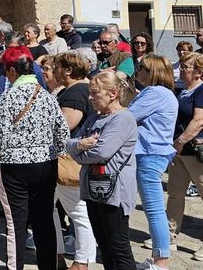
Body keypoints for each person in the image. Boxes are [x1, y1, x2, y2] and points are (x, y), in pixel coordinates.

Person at [0, 45, 69, 270]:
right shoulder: (48, 97)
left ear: (13, 71)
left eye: (5, 71)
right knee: (44, 221)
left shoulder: (9, 97)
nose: (5, 75)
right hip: (45, 163)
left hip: (14, 166)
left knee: (17, 223)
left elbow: (0, 133)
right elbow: (62, 132)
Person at [67, 70, 138, 270]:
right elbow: (70, 143)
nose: (90, 97)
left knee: (119, 248)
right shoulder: (93, 118)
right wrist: (81, 145)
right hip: (93, 189)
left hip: (114, 192)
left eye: (95, 92)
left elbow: (101, 152)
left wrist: (79, 151)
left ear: (113, 93)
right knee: (105, 247)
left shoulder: (122, 119)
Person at [166, 52, 203, 262]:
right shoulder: (184, 91)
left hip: (196, 151)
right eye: (182, 64)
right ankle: (169, 236)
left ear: (199, 72)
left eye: (187, 66)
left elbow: (199, 121)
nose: (182, 68)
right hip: (179, 152)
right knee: (175, 194)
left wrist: (179, 142)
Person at [131, 54, 180, 270]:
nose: (137, 71)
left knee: (154, 210)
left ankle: (161, 261)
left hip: (150, 153)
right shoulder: (159, 93)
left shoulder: (155, 93)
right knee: (154, 209)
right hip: (151, 153)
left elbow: (128, 116)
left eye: (141, 67)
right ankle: (158, 257)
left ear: (152, 72)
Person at [53, 51, 98, 270]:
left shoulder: (75, 93)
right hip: (65, 160)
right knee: (48, 209)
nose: (54, 72)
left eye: (57, 67)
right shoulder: (76, 90)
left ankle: (82, 261)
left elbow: (64, 127)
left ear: (69, 70)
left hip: (68, 161)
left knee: (79, 213)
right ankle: (57, 255)